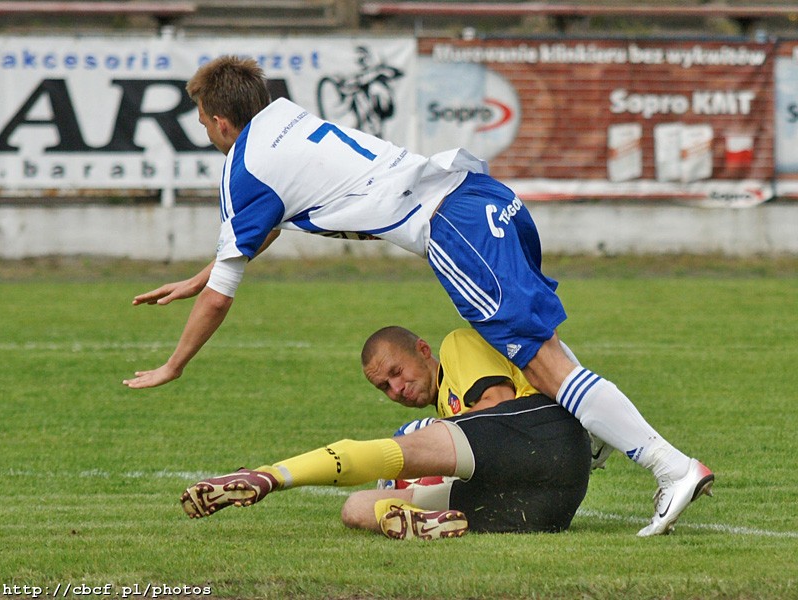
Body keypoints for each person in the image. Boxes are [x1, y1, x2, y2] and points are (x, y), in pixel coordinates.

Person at [124, 55, 713, 537]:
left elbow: (226, 295)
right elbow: (275, 217)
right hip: (482, 196)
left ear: (220, 120)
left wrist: (174, 365)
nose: (204, 133)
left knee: (542, 360)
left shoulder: (243, 167)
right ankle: (594, 435)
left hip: (451, 227)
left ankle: (672, 468)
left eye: (202, 121)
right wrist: (205, 272)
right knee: (543, 353)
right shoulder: (283, 118)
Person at [181, 326, 592, 540]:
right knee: (357, 508)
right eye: (385, 387)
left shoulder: (458, 346)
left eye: (396, 373)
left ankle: (269, 476)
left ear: (423, 350)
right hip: (540, 509)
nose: (397, 389)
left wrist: (426, 441)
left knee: (400, 447)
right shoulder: (443, 403)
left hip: (544, 438)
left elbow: (499, 407)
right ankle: (425, 523)